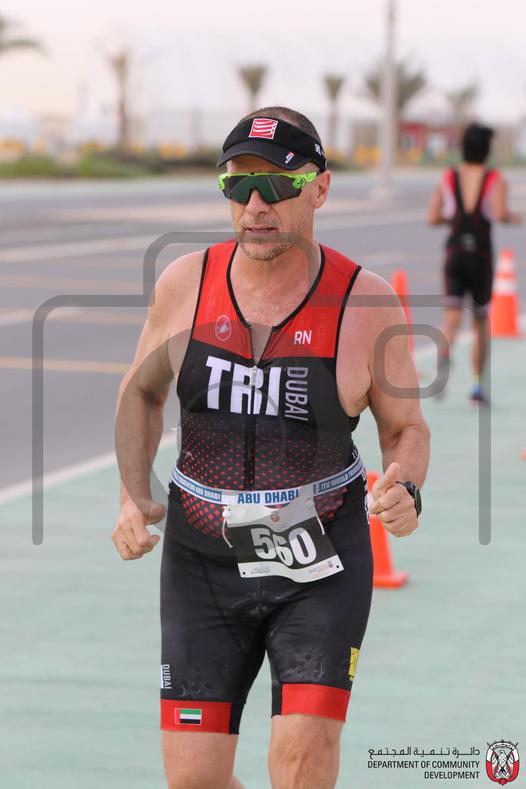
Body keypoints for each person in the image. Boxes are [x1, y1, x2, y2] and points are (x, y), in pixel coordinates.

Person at [113, 106, 430, 789]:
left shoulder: (365, 302)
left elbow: (405, 426)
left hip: (319, 560)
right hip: (201, 562)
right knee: (194, 781)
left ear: (320, 189)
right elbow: (140, 393)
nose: (255, 205)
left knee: (302, 763)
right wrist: (134, 495)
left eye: (278, 185)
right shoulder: (185, 285)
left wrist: (406, 485)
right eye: (238, 185)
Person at [427, 123, 521, 404]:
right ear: (487, 150)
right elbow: (500, 213)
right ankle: (477, 388)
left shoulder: (448, 177)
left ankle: (444, 353)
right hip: (480, 256)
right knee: (480, 321)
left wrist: (454, 219)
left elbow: (432, 217)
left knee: (451, 318)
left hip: (455, 254)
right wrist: (515, 217)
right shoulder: (495, 179)